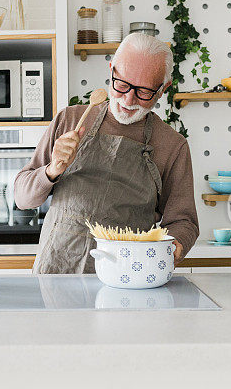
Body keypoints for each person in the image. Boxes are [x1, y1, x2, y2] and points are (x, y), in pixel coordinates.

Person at [14, 32, 199, 274]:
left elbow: (183, 221)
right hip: (57, 272)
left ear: (163, 89)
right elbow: (22, 198)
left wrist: (176, 244)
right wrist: (52, 170)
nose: (128, 99)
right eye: (121, 85)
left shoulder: (172, 145)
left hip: (129, 275)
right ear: (111, 69)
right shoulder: (69, 119)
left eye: (144, 92)